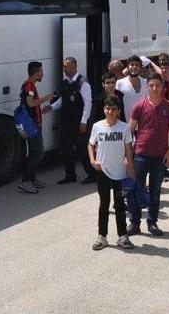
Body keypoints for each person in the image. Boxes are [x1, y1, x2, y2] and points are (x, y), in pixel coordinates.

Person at [126, 73, 169, 237]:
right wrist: (127, 155)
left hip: (159, 156)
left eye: (157, 85)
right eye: (151, 85)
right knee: (136, 189)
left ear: (162, 87)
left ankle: (152, 222)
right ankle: (135, 223)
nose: (154, 88)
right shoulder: (139, 106)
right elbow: (129, 131)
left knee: (155, 191)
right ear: (147, 87)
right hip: (140, 154)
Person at [88, 98, 135, 251]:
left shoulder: (124, 128)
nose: (111, 111)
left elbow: (128, 150)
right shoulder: (97, 126)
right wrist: (92, 160)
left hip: (120, 173)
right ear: (104, 110)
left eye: (114, 109)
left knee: (120, 204)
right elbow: (90, 144)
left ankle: (123, 236)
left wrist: (131, 171)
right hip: (102, 171)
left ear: (118, 111)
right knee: (104, 204)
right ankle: (102, 236)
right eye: (108, 108)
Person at [51, 57, 95, 185]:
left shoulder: (83, 83)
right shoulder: (66, 82)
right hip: (67, 123)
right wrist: (51, 107)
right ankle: (70, 175)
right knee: (67, 150)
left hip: (78, 124)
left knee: (82, 150)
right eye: (64, 66)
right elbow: (62, 100)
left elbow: (88, 103)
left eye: (66, 66)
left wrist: (84, 122)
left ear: (74, 67)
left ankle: (92, 175)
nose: (64, 68)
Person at [19, 61, 53, 194]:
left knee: (34, 153)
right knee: (38, 153)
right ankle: (26, 181)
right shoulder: (29, 86)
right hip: (31, 126)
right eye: (41, 72)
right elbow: (30, 103)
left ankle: (31, 179)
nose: (43, 74)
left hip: (34, 124)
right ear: (36, 73)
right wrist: (46, 98)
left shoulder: (30, 85)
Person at [116, 55, 148, 124]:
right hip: (126, 125)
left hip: (144, 124)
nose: (134, 67)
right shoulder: (119, 83)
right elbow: (116, 105)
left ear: (140, 68)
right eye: (132, 65)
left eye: (136, 65)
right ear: (127, 67)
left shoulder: (146, 82)